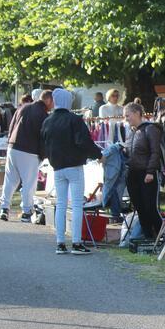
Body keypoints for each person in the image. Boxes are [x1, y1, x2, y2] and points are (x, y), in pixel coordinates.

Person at [40, 88, 102, 254]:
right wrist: (98, 155)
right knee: (76, 205)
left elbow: (44, 144)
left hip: (57, 167)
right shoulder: (74, 120)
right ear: (68, 101)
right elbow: (84, 141)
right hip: (74, 165)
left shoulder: (48, 121)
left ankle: (60, 242)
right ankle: (76, 242)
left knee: (60, 205)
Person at [0, 89, 54, 222]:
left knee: (10, 179)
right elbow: (43, 138)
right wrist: (43, 155)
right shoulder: (43, 115)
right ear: (48, 100)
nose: (53, 105)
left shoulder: (23, 107)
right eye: (53, 102)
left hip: (13, 146)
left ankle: (4, 208)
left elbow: (12, 126)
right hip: (29, 151)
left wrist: (9, 143)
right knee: (29, 183)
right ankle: (26, 212)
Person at [123, 102, 163, 239]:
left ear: (136, 113)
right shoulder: (132, 132)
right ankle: (148, 237)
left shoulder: (150, 129)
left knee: (150, 208)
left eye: (127, 115)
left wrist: (150, 171)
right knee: (140, 208)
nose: (126, 119)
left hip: (146, 174)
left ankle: (161, 236)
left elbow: (155, 152)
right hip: (133, 174)